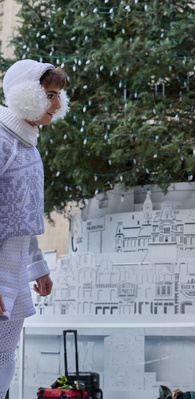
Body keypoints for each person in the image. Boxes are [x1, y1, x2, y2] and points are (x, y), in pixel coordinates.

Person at [0, 59, 69, 396]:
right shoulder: (2, 142)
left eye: (59, 96)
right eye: (50, 95)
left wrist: (38, 267)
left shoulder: (28, 146)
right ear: (24, 96)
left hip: (13, 272)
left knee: (4, 358)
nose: (57, 105)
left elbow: (22, 220)